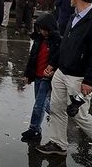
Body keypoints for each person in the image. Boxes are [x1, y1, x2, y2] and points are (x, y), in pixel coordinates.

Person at [36, 0, 92, 164]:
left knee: (78, 114)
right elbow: (66, 43)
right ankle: (58, 144)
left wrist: (89, 81)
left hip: (79, 78)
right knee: (56, 109)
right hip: (62, 72)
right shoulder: (75, 16)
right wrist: (54, 63)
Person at [21, 13, 60, 141]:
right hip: (37, 76)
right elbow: (32, 58)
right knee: (42, 103)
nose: (42, 32)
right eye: (40, 29)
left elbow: (59, 59)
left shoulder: (57, 42)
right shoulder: (38, 40)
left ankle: (34, 129)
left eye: (45, 29)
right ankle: (59, 115)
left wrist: (53, 71)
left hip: (47, 77)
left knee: (39, 104)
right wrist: (28, 74)